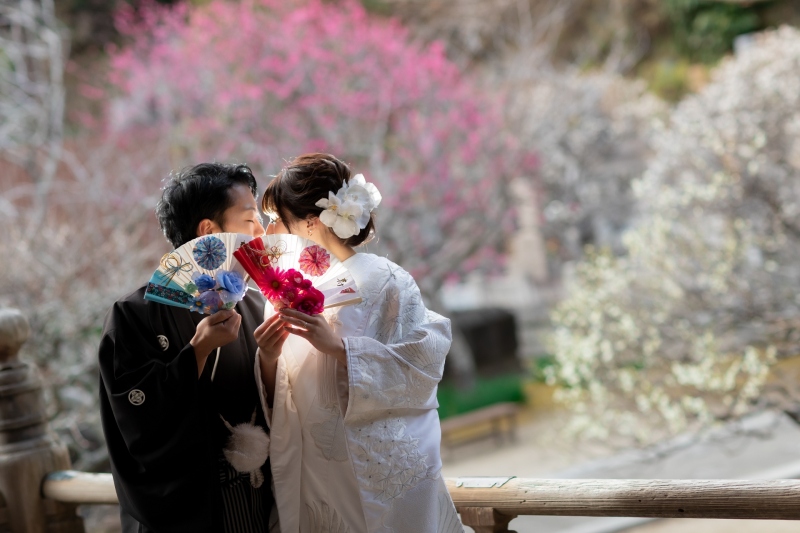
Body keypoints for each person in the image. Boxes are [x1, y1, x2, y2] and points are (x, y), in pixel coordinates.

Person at [254, 153, 463, 533]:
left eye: (276, 221)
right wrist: (267, 356)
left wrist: (339, 348)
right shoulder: (293, 287)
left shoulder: (384, 278)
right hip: (321, 469)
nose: (268, 234)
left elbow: (423, 360)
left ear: (311, 224)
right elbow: (286, 388)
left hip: (379, 464)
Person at [99, 163, 275, 532]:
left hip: (265, 494)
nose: (262, 231)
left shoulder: (258, 304)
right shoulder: (134, 316)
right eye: (249, 219)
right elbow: (135, 419)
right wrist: (197, 350)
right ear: (209, 231)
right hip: (193, 504)